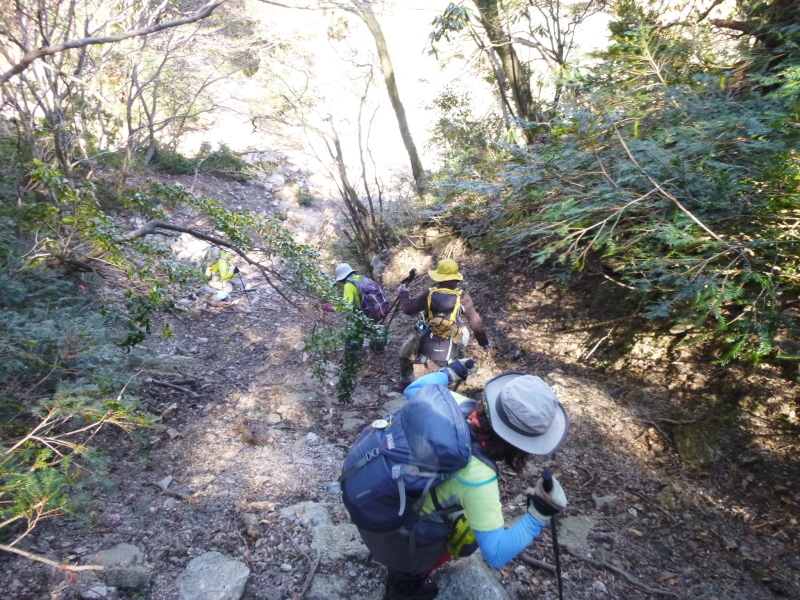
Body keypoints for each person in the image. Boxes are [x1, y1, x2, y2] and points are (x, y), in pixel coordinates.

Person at [359, 365, 569, 600]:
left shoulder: (455, 404)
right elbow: (496, 554)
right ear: (519, 445)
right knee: (452, 547)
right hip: (397, 536)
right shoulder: (479, 478)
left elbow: (415, 387)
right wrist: (538, 514)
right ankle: (408, 584)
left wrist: (451, 372)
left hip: (372, 495)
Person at [392, 259, 489, 392]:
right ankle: (462, 388)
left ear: (439, 277)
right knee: (460, 361)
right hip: (450, 337)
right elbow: (475, 321)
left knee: (405, 352)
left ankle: (406, 382)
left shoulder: (430, 293)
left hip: (427, 336)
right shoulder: (463, 296)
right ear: (456, 277)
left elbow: (408, 309)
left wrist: (403, 293)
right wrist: (483, 343)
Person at [323, 263, 390, 355]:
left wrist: (331, 308)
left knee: (351, 334)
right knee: (371, 327)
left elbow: (346, 304)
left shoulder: (349, 285)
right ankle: (380, 347)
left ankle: (350, 356)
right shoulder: (361, 278)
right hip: (376, 310)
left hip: (364, 314)